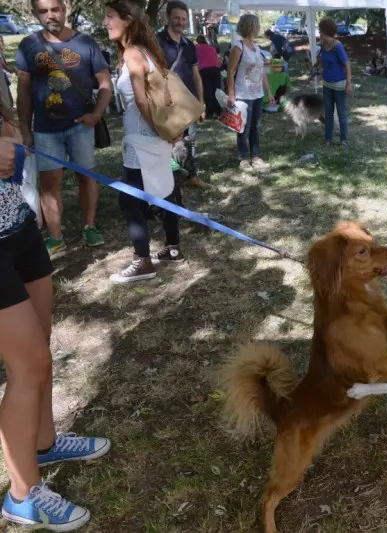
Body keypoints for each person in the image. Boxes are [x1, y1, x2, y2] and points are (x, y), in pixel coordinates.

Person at [0, 135, 111, 531]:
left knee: (39, 349)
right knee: (28, 365)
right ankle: (21, 495)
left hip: (16, 224)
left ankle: (44, 444)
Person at [16, 0, 112, 258]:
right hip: (46, 129)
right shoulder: (28, 46)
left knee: (87, 177)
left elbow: (105, 82)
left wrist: (96, 114)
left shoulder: (86, 43)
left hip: (81, 126)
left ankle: (89, 226)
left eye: (54, 9)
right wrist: (25, 127)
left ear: (64, 10)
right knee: (49, 183)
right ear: (36, 13)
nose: (50, 16)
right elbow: (23, 91)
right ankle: (56, 237)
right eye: (43, 11)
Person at [105, 0, 186, 283]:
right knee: (164, 191)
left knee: (129, 200)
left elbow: (142, 101)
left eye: (110, 16)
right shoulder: (147, 52)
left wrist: (162, 131)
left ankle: (143, 262)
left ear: (127, 20)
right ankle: (174, 249)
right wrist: (166, 131)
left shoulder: (132, 54)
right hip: (152, 138)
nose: (105, 22)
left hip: (142, 139)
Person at [157, 0, 209, 189]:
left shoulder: (189, 45)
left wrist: (201, 102)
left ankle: (190, 175)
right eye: (176, 18)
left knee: (190, 140)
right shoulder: (157, 41)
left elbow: (196, 75)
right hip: (167, 102)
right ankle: (169, 180)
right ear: (168, 17)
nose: (180, 22)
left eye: (183, 19)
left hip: (189, 102)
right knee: (168, 141)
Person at [226, 14, 275, 169]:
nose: (259, 28)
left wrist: (269, 92)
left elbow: (262, 73)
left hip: (257, 94)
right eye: (257, 25)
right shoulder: (238, 47)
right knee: (243, 127)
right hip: (242, 94)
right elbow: (230, 71)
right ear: (251, 26)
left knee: (255, 126)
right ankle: (243, 158)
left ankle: (256, 156)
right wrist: (231, 94)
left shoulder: (257, 48)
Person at [317, 17, 352, 146]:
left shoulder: (337, 46)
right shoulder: (322, 45)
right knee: (328, 113)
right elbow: (322, 59)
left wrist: (348, 84)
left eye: (320, 31)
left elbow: (347, 64)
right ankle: (328, 139)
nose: (319, 33)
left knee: (342, 113)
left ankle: (344, 140)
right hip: (326, 84)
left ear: (325, 31)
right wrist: (314, 65)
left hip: (339, 85)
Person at [195, 35, 222, 118]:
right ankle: (219, 111)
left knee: (208, 91)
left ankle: (210, 112)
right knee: (217, 90)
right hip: (216, 69)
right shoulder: (211, 47)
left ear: (198, 41)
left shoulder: (196, 48)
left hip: (204, 70)